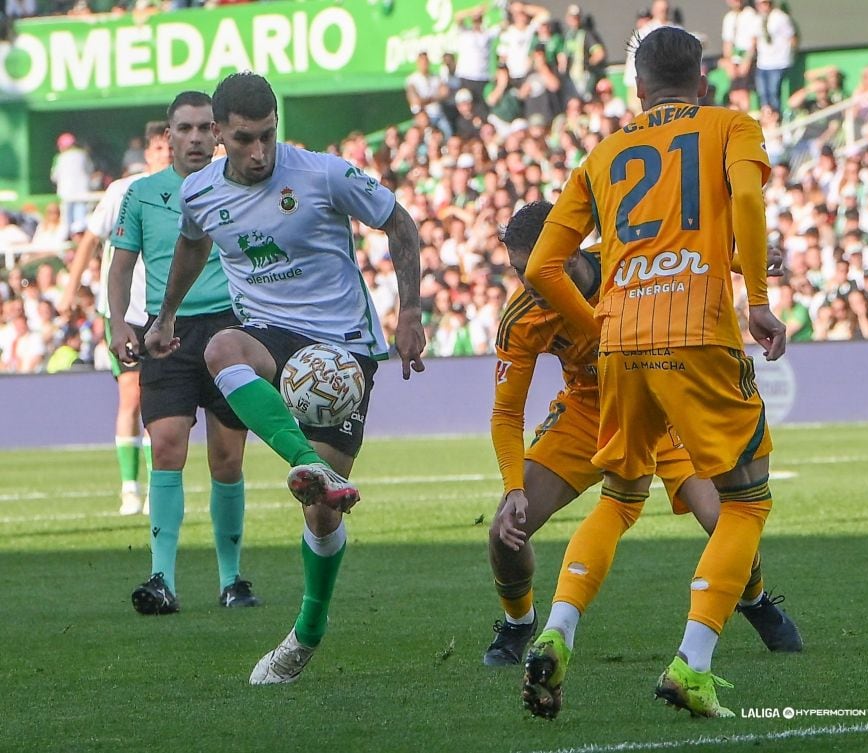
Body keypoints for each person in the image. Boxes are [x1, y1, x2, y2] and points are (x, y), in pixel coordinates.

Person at [522, 26, 787, 719]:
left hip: (621, 342)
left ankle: (558, 628)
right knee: (746, 502)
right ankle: (692, 664)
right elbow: (750, 201)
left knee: (619, 494)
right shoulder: (732, 123)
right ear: (702, 82)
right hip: (698, 331)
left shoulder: (604, 152)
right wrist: (757, 299)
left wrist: (599, 325)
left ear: (637, 90)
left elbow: (539, 268)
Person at [142, 72, 425, 683]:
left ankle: (308, 631)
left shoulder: (322, 173)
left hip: (342, 347)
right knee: (220, 346)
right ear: (218, 135)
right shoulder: (199, 193)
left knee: (322, 520)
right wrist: (165, 316)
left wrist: (411, 313)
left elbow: (400, 223)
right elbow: (193, 246)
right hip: (268, 333)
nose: (259, 153)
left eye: (268, 136)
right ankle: (309, 464)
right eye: (244, 140)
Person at [486, 201, 800, 673]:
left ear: (567, 254)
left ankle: (753, 600)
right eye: (517, 270)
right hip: (590, 412)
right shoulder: (522, 316)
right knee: (503, 535)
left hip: (668, 404)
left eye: (530, 268)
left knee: (727, 518)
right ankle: (518, 623)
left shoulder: (621, 259)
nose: (524, 283)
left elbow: (683, 249)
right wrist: (513, 486)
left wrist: (745, 260)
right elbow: (506, 410)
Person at [108, 91, 258, 614]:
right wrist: (117, 318)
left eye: (203, 128)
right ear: (167, 136)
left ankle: (232, 580)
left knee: (226, 457)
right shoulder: (142, 194)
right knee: (167, 446)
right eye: (184, 129)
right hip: (163, 332)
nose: (195, 138)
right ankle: (162, 578)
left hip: (229, 332)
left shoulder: (240, 187)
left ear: (217, 134)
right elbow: (122, 262)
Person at [58, 121, 171, 516]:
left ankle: (159, 486)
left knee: (159, 400)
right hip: (123, 311)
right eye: (159, 148)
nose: (166, 154)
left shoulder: (184, 189)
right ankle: (129, 488)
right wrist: (71, 289)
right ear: (148, 154)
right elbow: (91, 237)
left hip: (163, 311)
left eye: (169, 147)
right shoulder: (121, 191)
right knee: (131, 396)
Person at [751, 0, 796, 115]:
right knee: (763, 94)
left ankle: (777, 117)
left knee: (774, 92)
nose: (763, 6)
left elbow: (792, 38)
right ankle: (767, 118)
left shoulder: (781, 17)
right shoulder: (757, 19)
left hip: (779, 62)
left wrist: (788, 55)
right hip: (762, 62)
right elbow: (755, 39)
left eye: (765, 3)